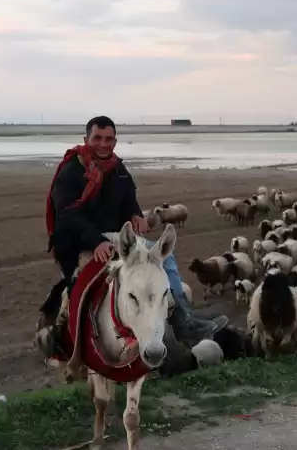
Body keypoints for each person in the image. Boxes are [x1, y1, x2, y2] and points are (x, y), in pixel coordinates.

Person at [38, 115, 227, 357]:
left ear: (115, 141)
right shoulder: (72, 171)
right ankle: (71, 344)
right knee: (78, 289)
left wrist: (136, 215)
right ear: (86, 139)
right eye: (98, 138)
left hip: (116, 237)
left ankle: (182, 317)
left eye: (109, 139)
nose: (104, 144)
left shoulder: (118, 169)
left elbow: (129, 200)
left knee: (162, 259)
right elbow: (67, 215)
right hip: (76, 240)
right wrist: (95, 242)